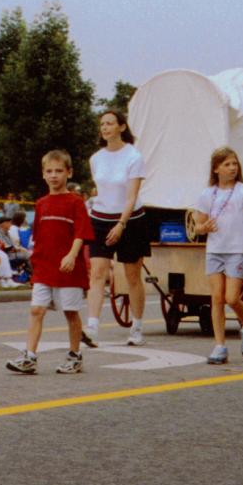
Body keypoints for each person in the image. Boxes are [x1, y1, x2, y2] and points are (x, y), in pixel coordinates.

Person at [4, 150, 95, 376]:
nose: (54, 175)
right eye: (49, 171)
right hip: (45, 266)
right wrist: (35, 260)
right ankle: (30, 356)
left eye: (59, 171)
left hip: (69, 268)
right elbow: (39, 237)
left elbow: (81, 233)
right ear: (43, 174)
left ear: (69, 173)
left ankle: (75, 355)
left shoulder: (75, 202)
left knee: (71, 312)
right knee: (36, 309)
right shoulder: (42, 203)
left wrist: (72, 255)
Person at [190, 147, 243, 364]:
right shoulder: (207, 194)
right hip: (215, 250)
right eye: (227, 164)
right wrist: (203, 228)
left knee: (232, 298)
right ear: (216, 168)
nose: (232, 168)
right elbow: (198, 224)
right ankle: (220, 346)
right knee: (217, 299)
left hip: (237, 250)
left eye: (234, 164)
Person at [85, 109, 149, 348]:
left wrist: (121, 224)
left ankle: (137, 325)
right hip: (100, 218)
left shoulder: (133, 156)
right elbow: (102, 190)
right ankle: (91, 326)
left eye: (110, 123)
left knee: (132, 276)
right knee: (98, 273)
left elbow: (131, 196)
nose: (105, 128)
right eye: (102, 124)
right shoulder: (96, 158)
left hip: (131, 220)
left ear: (122, 127)